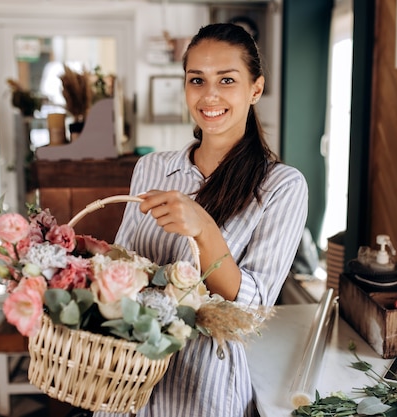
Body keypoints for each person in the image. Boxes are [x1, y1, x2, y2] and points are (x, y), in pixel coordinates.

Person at [95, 22, 308, 417]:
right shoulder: (151, 169)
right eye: (197, 80)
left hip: (202, 388)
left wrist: (204, 227)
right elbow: (120, 263)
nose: (210, 95)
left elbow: (251, 310)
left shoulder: (282, 186)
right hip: (127, 373)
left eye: (227, 80)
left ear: (255, 89)